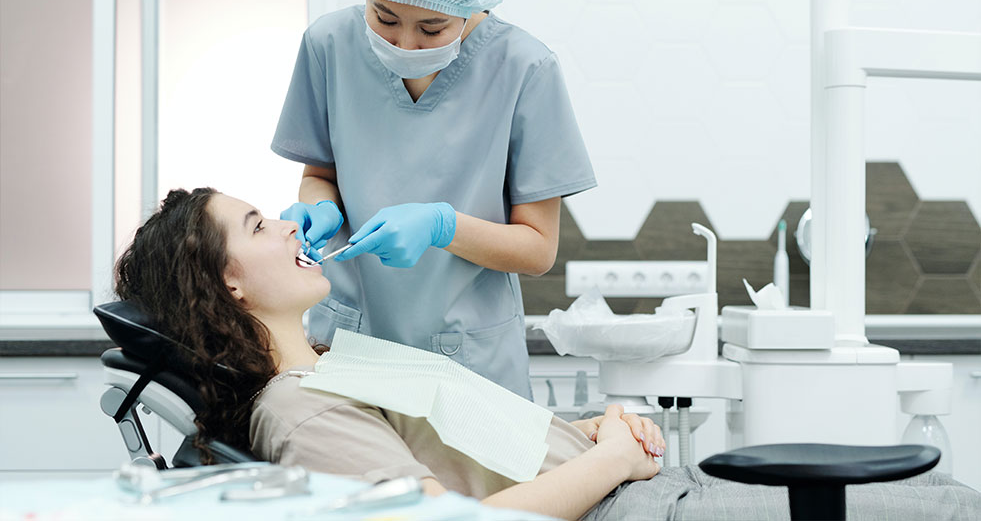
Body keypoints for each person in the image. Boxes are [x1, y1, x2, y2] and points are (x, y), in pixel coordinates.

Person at [114, 188, 980, 521]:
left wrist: (592, 425)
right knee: (946, 509)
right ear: (227, 285)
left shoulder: (335, 362)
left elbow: (476, 441)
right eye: (261, 226)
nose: (291, 222)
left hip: (635, 488)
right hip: (627, 512)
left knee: (940, 491)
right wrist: (606, 460)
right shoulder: (296, 409)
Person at [271, 0, 596, 399]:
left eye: (431, 27)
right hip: (346, 347)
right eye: (383, 17)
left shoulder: (524, 69)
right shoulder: (329, 45)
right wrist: (321, 211)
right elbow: (320, 176)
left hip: (468, 362)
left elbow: (537, 250)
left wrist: (442, 227)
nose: (404, 44)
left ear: (473, 5)